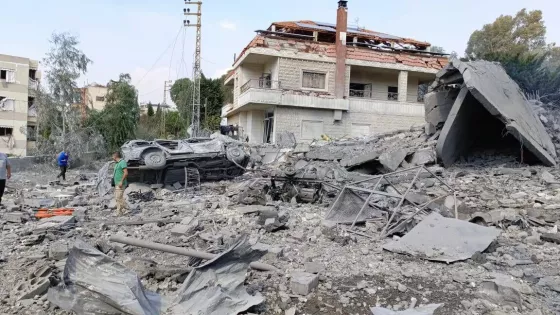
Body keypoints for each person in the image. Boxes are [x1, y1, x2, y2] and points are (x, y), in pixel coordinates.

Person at [112, 151, 129, 216]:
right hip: (117, 183)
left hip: (120, 183)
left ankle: (126, 207)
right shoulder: (117, 164)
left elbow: (126, 173)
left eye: (112, 156)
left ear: (115, 156)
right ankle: (119, 212)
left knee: (118, 197)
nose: (112, 158)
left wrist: (121, 181)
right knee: (117, 198)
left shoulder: (122, 162)